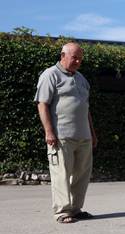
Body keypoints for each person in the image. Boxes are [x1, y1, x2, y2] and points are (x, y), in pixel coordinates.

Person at [34, 42, 97, 224]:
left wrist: (92, 133)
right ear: (62, 56)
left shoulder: (82, 79)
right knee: (61, 174)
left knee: (81, 175)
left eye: (80, 58)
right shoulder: (50, 75)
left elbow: (86, 108)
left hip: (83, 136)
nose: (77, 61)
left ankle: (76, 209)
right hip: (61, 136)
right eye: (74, 57)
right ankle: (62, 211)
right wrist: (49, 131)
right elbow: (42, 104)